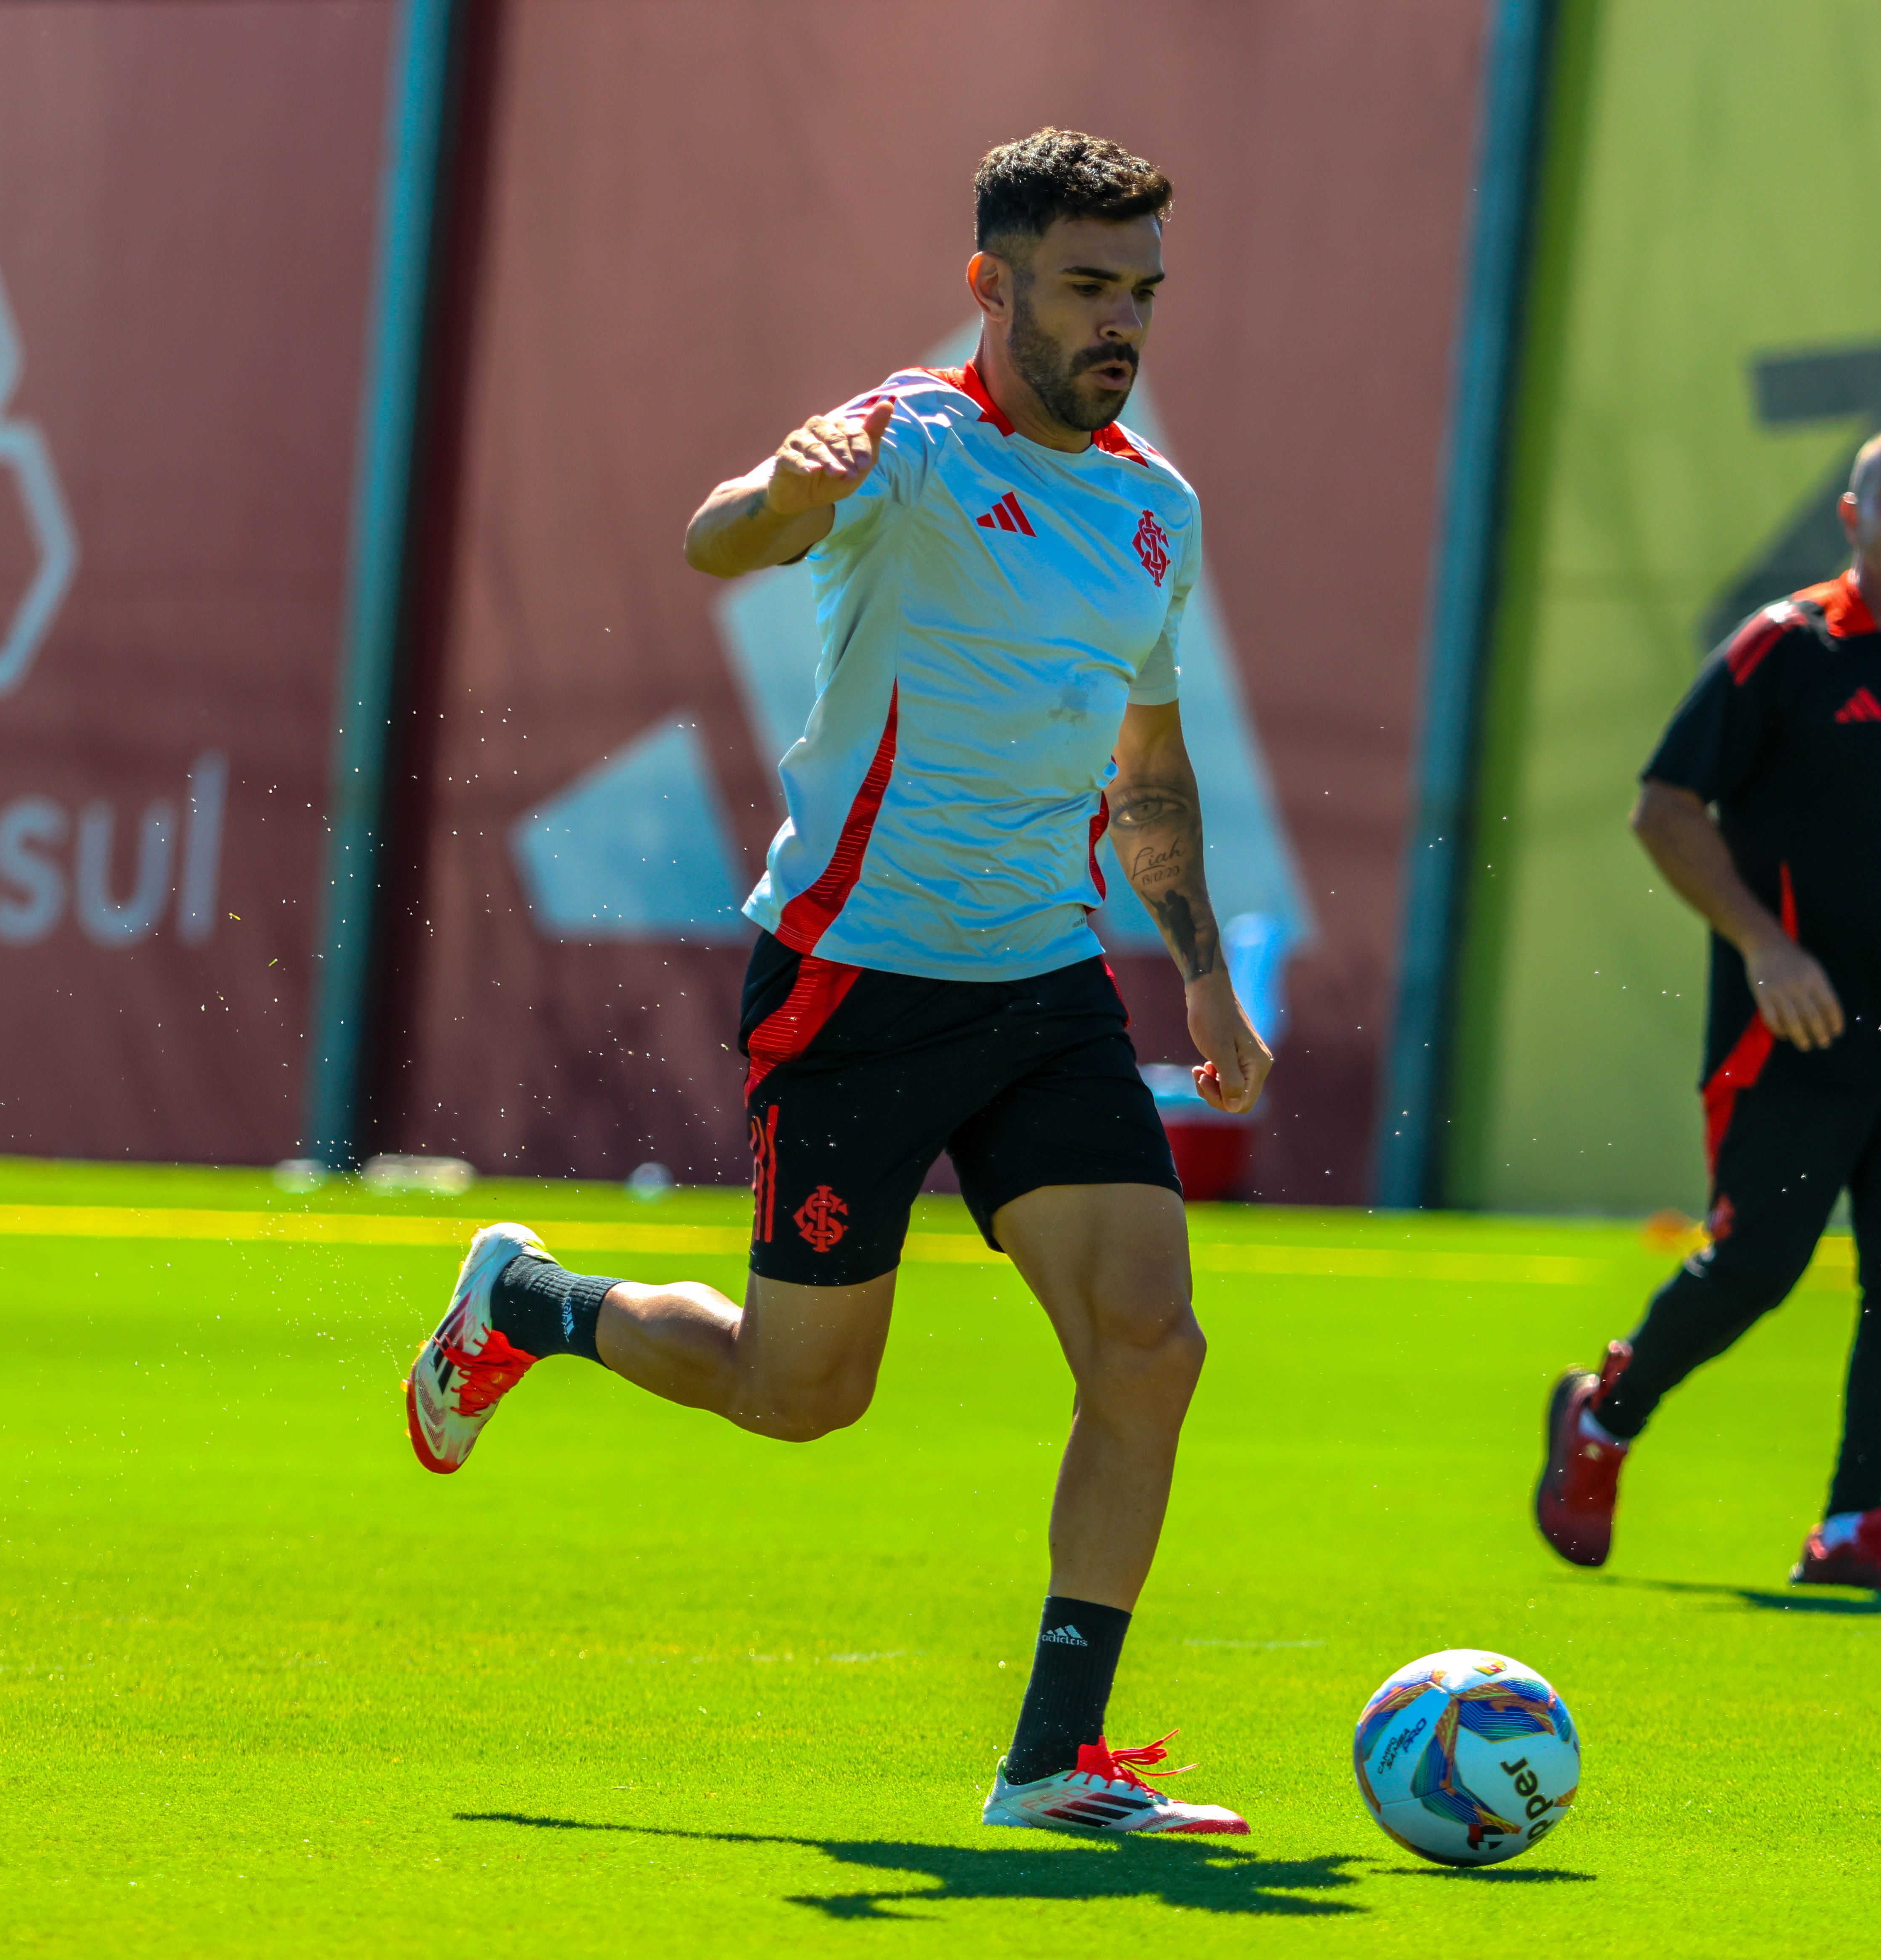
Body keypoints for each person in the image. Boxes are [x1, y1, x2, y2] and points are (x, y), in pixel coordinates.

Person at [404, 130, 1272, 1833]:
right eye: (1089, 286)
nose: (1122, 324)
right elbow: (721, 537)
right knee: (807, 1396)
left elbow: (1150, 774)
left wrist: (1204, 980)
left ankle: (1052, 1760)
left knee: (1151, 1347)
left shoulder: (1154, 509)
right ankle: (533, 1307)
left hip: (1044, 982)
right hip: (854, 984)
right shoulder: (909, 444)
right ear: (992, 284)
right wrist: (794, 494)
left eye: (1144, 292)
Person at [1533, 418, 1881, 1593]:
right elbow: (1664, 807)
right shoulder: (1785, 649)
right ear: (1852, 514)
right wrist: (1764, 946)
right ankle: (1605, 1415)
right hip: (1796, 1036)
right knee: (1755, 1266)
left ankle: (1855, 1525)